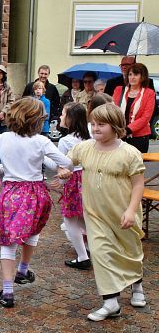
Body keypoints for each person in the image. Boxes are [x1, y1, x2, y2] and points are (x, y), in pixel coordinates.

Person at [58, 104, 146, 321]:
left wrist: (131, 211)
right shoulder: (84, 148)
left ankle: (137, 286)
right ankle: (111, 302)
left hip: (123, 214)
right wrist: (64, 171)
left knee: (130, 252)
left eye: (102, 124)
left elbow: (138, 184)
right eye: (93, 124)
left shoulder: (129, 153)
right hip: (95, 214)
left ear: (115, 126)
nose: (96, 128)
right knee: (100, 253)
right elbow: (67, 162)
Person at [0, 97, 72, 308]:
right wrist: (59, 168)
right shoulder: (41, 141)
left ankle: (8, 291)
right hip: (35, 193)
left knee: (8, 241)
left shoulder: (3, 138)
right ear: (36, 120)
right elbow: (65, 162)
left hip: (12, 193)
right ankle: (22, 270)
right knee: (33, 231)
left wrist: (2, 169)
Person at [49, 103, 91, 270]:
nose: (60, 117)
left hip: (74, 180)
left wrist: (61, 181)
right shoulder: (90, 137)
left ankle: (83, 256)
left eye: (63, 114)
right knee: (85, 218)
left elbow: (64, 166)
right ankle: (97, 250)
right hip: (89, 179)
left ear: (71, 119)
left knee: (70, 219)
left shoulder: (65, 140)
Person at [112, 63, 155, 153]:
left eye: (136, 74)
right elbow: (112, 111)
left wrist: (127, 130)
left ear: (142, 77)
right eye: (130, 74)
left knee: (136, 161)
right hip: (119, 135)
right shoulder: (119, 90)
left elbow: (146, 117)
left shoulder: (149, 93)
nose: (132, 77)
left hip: (139, 138)